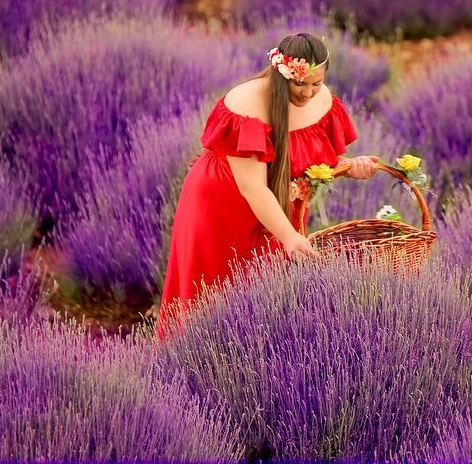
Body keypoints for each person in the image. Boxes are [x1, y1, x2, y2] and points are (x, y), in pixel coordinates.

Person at [158, 32, 380, 334]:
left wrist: (350, 167)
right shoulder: (248, 105)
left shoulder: (321, 100)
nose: (308, 92)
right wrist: (288, 236)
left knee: (269, 299)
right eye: (300, 83)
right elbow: (252, 187)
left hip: (275, 208)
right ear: (282, 74)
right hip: (222, 206)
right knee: (213, 297)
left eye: (316, 83)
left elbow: (311, 164)